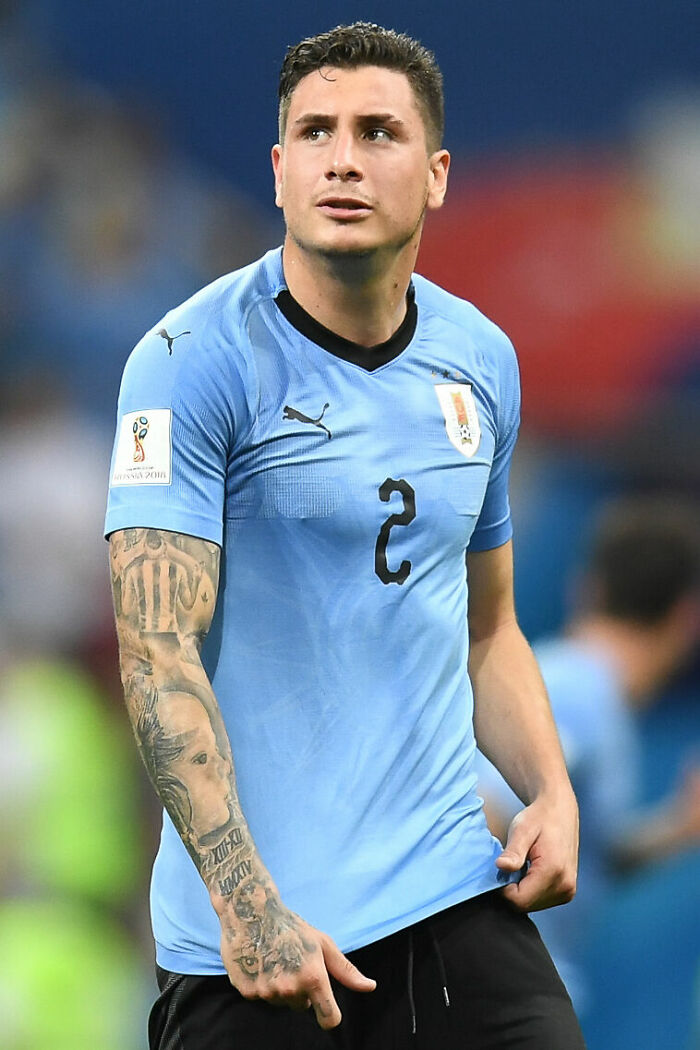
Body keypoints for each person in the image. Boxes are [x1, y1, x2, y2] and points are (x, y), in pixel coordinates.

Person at [106, 23, 585, 1049]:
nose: (344, 158)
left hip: (450, 896)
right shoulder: (190, 361)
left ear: (437, 172)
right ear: (279, 172)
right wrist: (248, 908)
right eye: (315, 133)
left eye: (378, 132)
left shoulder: (479, 359)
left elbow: (485, 628)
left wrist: (549, 790)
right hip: (259, 946)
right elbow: (156, 650)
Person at [476, 496, 700, 1014]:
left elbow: (577, 848)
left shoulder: (597, 696)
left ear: (586, 587)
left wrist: (677, 828)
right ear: (687, 618)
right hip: (502, 998)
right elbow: (486, 811)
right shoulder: (576, 685)